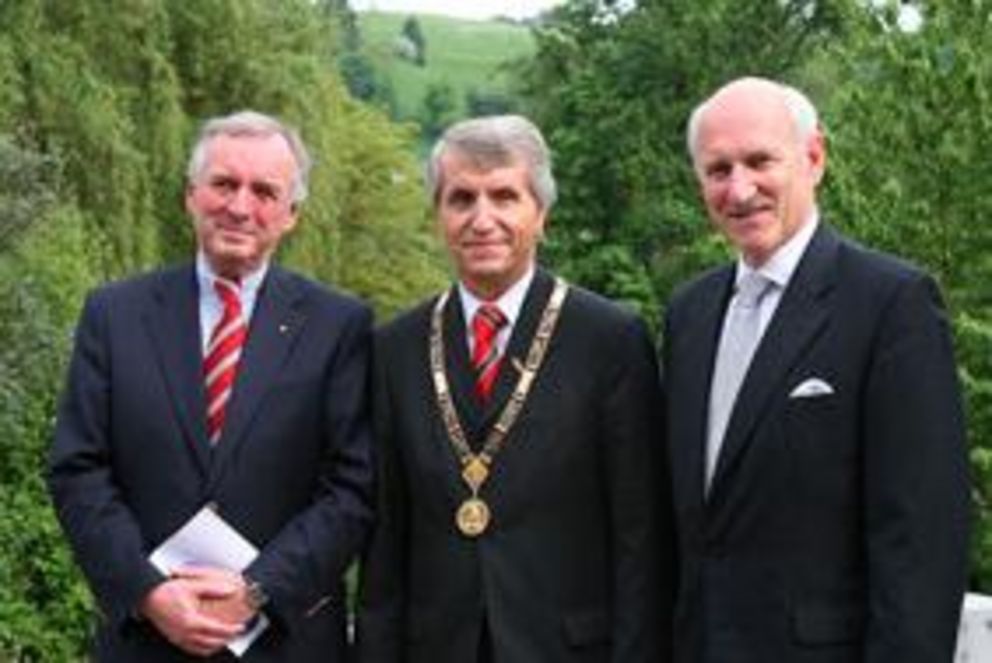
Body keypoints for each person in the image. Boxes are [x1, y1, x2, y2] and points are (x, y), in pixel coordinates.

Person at [662, 76, 971, 663]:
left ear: (814, 158)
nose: (740, 188)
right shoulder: (689, 313)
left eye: (759, 161)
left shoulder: (891, 303)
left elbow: (920, 540)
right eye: (718, 169)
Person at [47, 110, 375, 661]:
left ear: (291, 213)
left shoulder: (340, 326)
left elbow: (353, 487)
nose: (240, 207)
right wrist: (148, 590)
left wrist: (257, 590)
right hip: (144, 639)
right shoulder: (114, 314)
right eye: (224, 184)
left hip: (284, 641)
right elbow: (77, 469)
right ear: (191, 196)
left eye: (264, 191)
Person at [353, 115, 675, 663]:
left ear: (541, 214)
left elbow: (640, 536)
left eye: (504, 196)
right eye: (461, 199)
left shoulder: (610, 340)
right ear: (438, 217)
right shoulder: (395, 349)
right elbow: (385, 544)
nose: (483, 220)